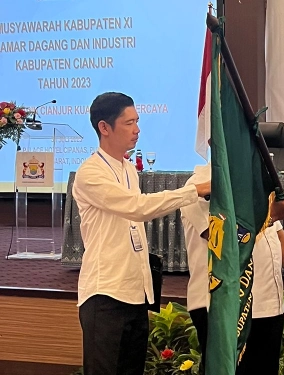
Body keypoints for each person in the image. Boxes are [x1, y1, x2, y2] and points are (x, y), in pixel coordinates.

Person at [72, 92, 211, 375]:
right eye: (128, 123)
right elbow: (136, 208)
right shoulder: (90, 173)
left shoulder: (127, 169)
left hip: (136, 292)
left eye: (137, 121)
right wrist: (193, 191)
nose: (137, 130)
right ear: (104, 127)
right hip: (105, 293)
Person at [181, 164, 284, 375]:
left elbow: (277, 236)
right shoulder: (200, 184)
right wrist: (270, 214)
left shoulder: (253, 179)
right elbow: (224, 240)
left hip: (267, 304)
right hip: (225, 308)